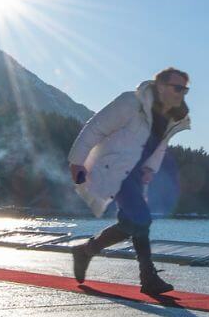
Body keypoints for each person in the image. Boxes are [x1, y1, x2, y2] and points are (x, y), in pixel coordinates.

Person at [68, 67, 192, 295]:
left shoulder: (171, 117)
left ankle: (85, 251)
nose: (182, 93)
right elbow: (95, 128)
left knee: (129, 224)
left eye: (185, 89)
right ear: (161, 86)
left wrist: (150, 169)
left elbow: (159, 147)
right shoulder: (131, 103)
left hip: (135, 175)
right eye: (178, 88)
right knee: (141, 218)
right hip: (113, 168)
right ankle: (148, 278)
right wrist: (77, 161)